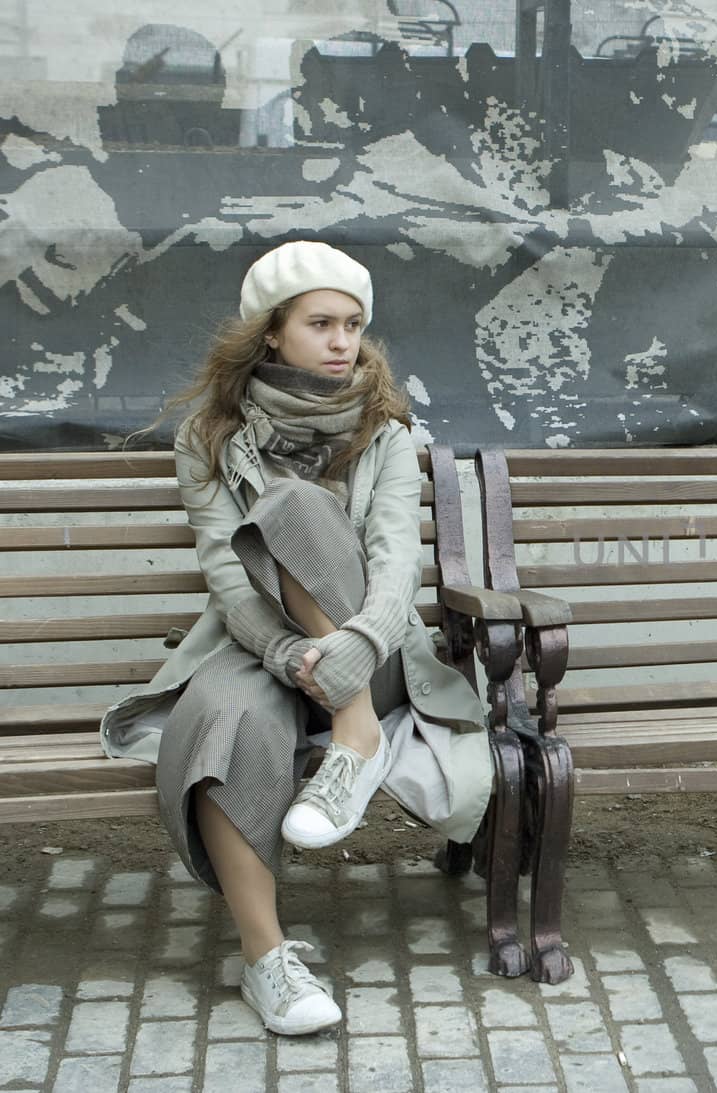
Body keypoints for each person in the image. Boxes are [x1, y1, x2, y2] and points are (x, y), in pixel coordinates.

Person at [101, 241, 491, 1036]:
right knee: (218, 716)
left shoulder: (384, 431)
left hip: (375, 664)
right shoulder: (208, 436)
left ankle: (356, 729)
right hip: (265, 653)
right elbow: (226, 574)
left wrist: (355, 651)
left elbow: (394, 565)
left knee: (293, 509)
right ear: (271, 332)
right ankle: (266, 959)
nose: (343, 340)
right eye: (321, 323)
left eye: (352, 323)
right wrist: (284, 654)